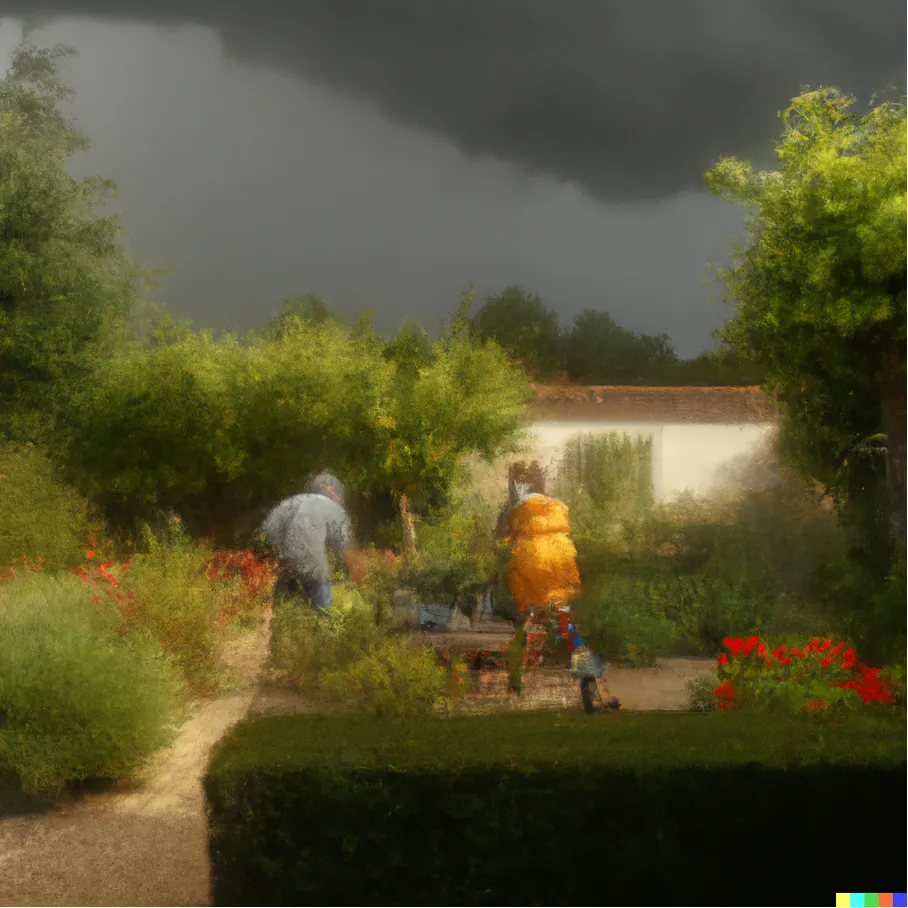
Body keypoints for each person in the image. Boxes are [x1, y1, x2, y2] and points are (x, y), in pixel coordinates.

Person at [259, 471, 364, 610]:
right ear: (334, 492)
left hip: (287, 565)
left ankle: (282, 618)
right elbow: (346, 544)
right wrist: (357, 571)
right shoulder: (334, 508)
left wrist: (279, 554)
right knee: (323, 611)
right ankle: (323, 618)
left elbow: (269, 530)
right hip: (315, 568)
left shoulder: (292, 502)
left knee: (283, 608)